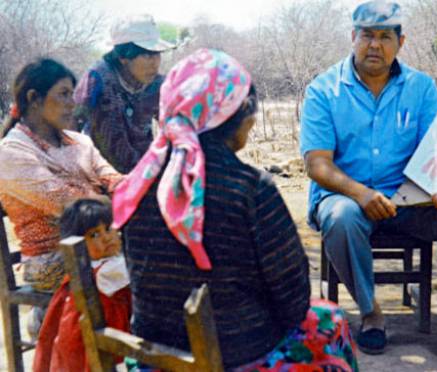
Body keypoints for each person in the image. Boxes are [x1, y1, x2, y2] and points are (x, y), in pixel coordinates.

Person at [300, 0, 437, 366]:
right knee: (341, 217)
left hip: (406, 202)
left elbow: (435, 153)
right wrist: (362, 193)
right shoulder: (324, 90)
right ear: (353, 38)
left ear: (401, 43)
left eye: (385, 36)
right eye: (367, 35)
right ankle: (371, 314)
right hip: (346, 198)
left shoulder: (420, 88)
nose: (375, 45)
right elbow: (317, 165)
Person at [112, 48, 358, 371]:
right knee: (331, 320)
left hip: (155, 361)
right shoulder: (251, 189)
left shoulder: (137, 187)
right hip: (240, 358)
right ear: (233, 114)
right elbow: (294, 301)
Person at [0, 58, 122, 340]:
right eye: (63, 94)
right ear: (34, 98)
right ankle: (62, 333)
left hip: (100, 242)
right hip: (51, 258)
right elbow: (71, 207)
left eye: (72, 94)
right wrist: (115, 198)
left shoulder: (80, 142)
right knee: (139, 262)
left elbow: (115, 181)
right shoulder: (11, 151)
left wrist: (131, 191)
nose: (72, 102)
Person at [33, 198, 131, 372]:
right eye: (94, 235)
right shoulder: (108, 270)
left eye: (108, 229)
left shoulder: (92, 266)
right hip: (92, 337)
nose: (106, 237)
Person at [74, 14, 174, 173]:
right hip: (100, 170)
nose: (155, 62)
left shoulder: (158, 85)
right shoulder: (97, 81)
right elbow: (73, 127)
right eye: (147, 55)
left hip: (145, 168)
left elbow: (174, 127)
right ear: (123, 57)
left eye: (157, 54)